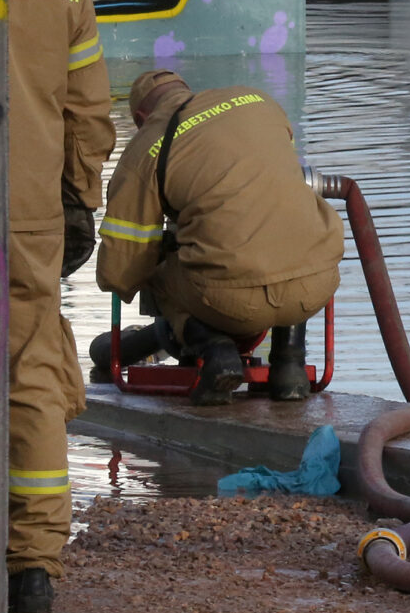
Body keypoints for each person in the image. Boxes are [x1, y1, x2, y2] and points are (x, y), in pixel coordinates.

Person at [93, 70, 343, 406]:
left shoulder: (146, 147)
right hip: (319, 283)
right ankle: (290, 367)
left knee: (152, 269)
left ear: (141, 118)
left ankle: (216, 351)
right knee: (287, 237)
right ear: (188, 91)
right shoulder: (259, 103)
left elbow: (119, 272)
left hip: (231, 300)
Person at [4, 0, 116, 613]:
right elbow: (90, 108)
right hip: (26, 208)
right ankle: (32, 565)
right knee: (31, 367)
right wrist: (77, 197)